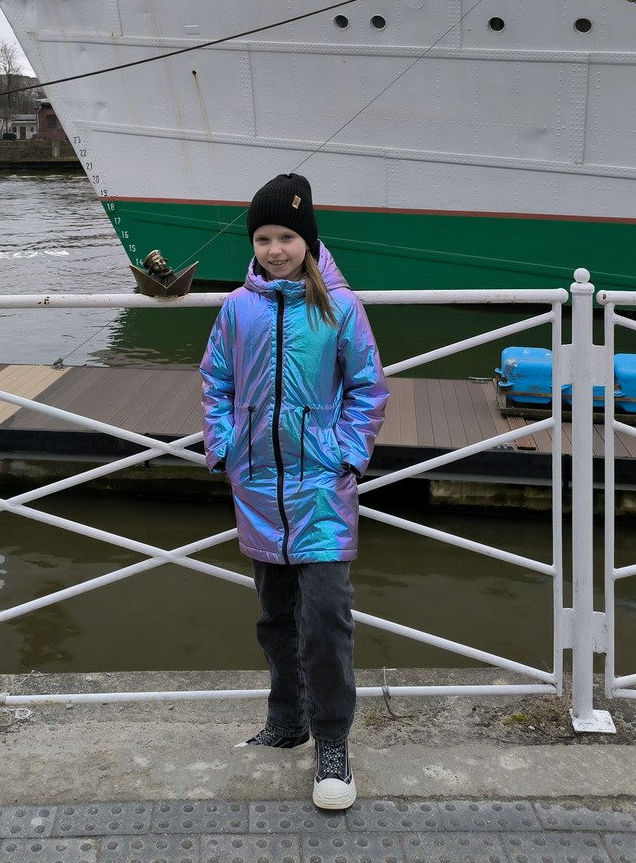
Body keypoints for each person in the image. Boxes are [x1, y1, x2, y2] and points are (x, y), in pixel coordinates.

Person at [199, 173, 388, 810]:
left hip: (321, 487)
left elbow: (366, 388)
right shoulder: (237, 308)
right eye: (263, 238)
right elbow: (216, 381)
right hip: (256, 486)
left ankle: (332, 742)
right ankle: (286, 721)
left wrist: (347, 455)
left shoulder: (340, 308)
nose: (274, 249)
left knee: (327, 617)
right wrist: (225, 447)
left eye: (286, 237)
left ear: (308, 240)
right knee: (274, 616)